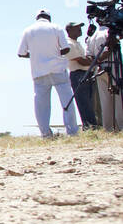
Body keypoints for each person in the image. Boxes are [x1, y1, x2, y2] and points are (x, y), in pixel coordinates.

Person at [16, 9, 79, 137]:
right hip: (58, 69)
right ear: (49, 18)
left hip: (39, 72)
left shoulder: (28, 31)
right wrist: (54, 54)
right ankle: (72, 132)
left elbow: (21, 53)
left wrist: (36, 55)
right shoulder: (56, 27)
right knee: (67, 101)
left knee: (41, 106)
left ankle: (45, 134)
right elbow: (66, 48)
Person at [85, 20, 122, 132]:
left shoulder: (93, 36)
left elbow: (89, 56)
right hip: (113, 67)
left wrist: (98, 61)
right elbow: (112, 46)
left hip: (99, 69)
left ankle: (108, 127)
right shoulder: (109, 33)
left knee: (104, 99)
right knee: (118, 97)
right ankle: (121, 126)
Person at [64, 22, 98, 129]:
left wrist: (90, 60)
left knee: (90, 101)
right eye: (76, 27)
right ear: (69, 30)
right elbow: (81, 61)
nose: (79, 29)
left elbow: (85, 59)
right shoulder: (69, 43)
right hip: (78, 74)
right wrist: (96, 60)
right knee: (84, 102)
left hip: (85, 73)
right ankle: (89, 126)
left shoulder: (76, 43)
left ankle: (92, 125)